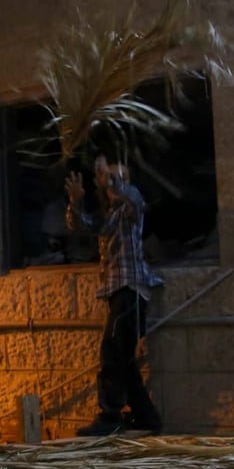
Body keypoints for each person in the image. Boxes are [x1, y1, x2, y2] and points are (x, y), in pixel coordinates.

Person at [65, 152, 164, 436]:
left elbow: (133, 198)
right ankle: (147, 417)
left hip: (130, 290)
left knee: (111, 350)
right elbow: (81, 225)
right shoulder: (110, 217)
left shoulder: (130, 211)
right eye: (109, 179)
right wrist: (75, 200)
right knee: (123, 358)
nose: (110, 184)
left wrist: (110, 178)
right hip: (119, 292)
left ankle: (110, 416)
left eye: (117, 178)